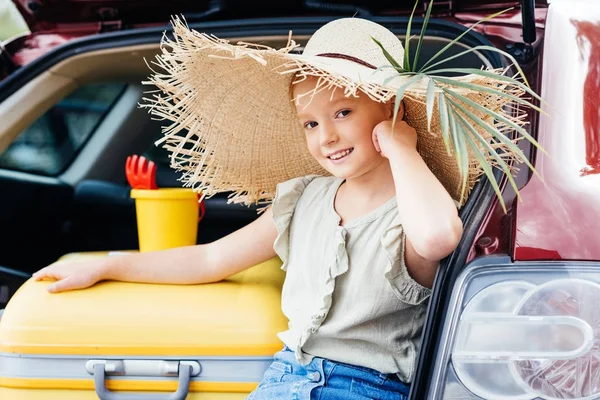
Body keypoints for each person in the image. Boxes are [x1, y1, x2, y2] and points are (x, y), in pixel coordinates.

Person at [32, 16, 528, 400]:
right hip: (286, 375)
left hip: (367, 387)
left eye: (343, 112)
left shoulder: (414, 210)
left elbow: (441, 238)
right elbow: (209, 259)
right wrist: (110, 263)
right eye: (310, 123)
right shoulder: (304, 198)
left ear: (392, 112)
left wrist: (403, 149)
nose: (326, 135)